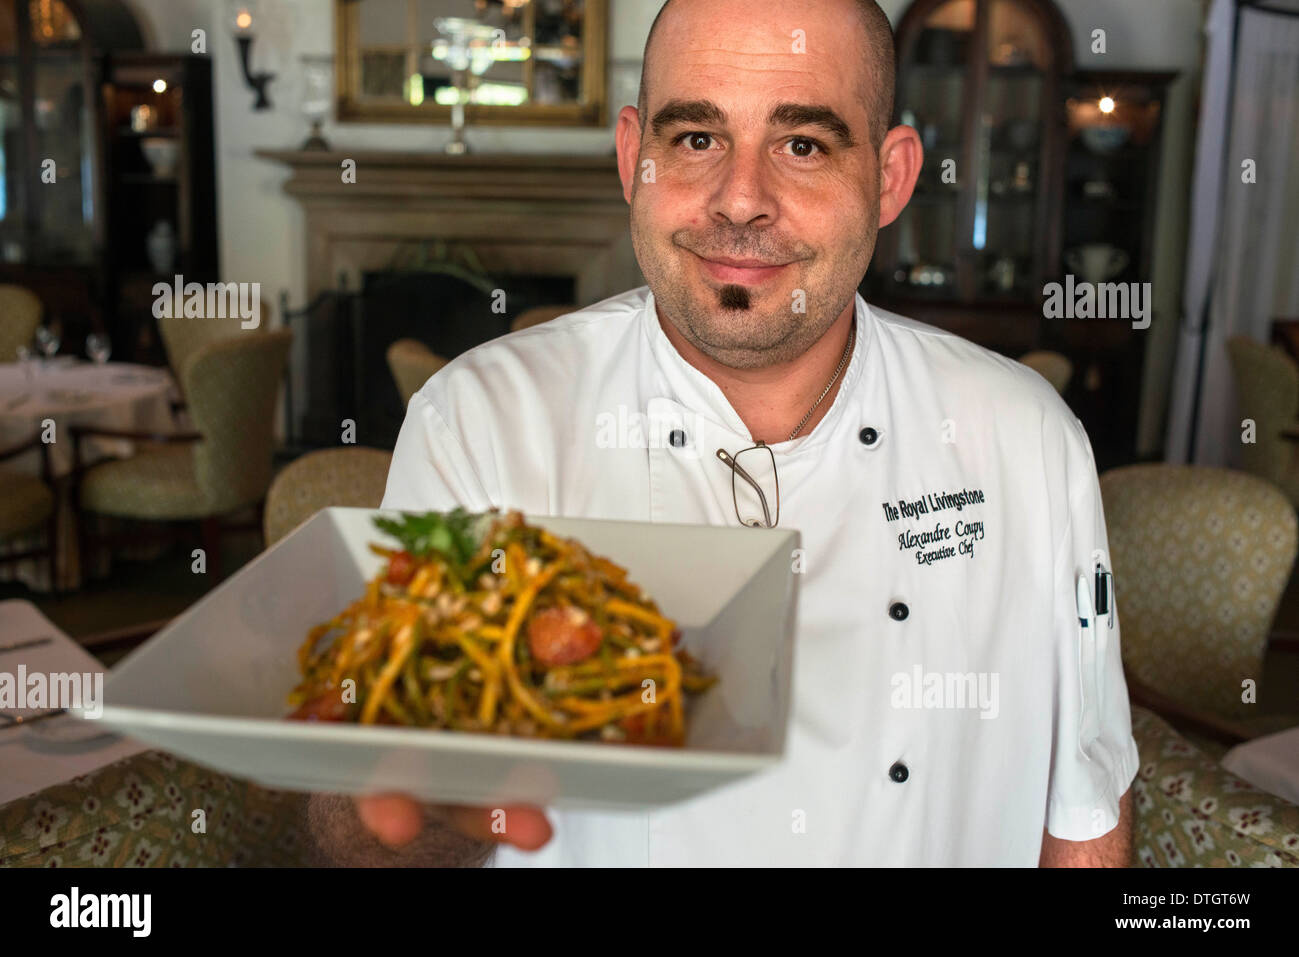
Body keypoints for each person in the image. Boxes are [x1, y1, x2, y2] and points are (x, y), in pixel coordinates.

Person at [306, 0, 1138, 866]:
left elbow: (1081, 812)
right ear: (636, 160)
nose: (741, 200)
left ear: (891, 179)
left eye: (803, 144)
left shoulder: (1020, 435)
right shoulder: (481, 421)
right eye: (697, 139)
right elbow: (367, 829)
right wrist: (411, 793)